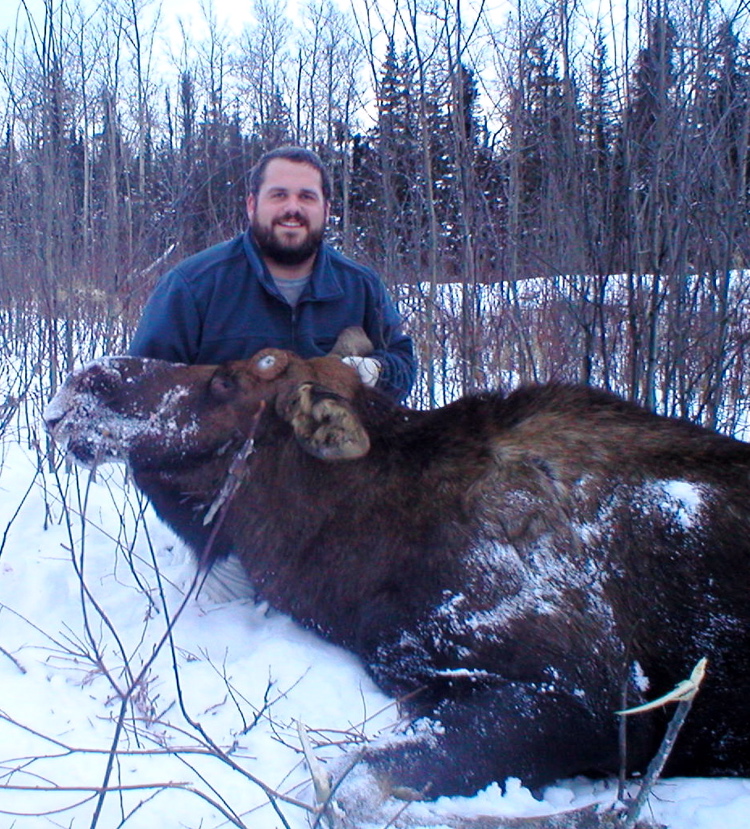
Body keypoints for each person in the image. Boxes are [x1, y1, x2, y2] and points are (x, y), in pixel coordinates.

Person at [129, 145, 415, 402]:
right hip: (225, 447)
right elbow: (141, 388)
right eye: (279, 195)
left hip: (332, 445)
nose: (292, 208)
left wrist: (373, 371)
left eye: (307, 197)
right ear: (252, 205)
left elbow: (402, 365)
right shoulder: (192, 287)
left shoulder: (361, 287)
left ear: (326, 210)